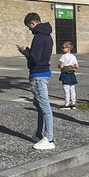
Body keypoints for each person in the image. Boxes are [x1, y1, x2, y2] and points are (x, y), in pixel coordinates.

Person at [17, 12, 55, 150]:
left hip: (38, 74)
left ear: (33, 23)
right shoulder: (48, 36)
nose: (29, 29)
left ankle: (49, 138)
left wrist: (24, 51)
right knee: (39, 104)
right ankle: (39, 133)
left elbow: (34, 58)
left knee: (45, 107)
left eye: (29, 26)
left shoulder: (38, 37)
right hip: (44, 72)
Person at [58, 41, 78, 110]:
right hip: (72, 73)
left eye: (64, 47)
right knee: (72, 89)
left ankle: (66, 104)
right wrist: (72, 66)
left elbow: (61, 66)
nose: (62, 49)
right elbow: (77, 66)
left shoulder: (63, 56)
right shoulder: (73, 56)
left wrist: (59, 66)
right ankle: (73, 103)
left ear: (68, 48)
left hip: (65, 73)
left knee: (66, 89)